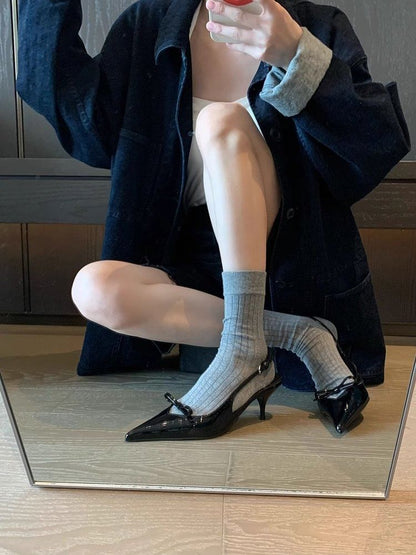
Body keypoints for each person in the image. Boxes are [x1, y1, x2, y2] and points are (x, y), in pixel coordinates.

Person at [16, 0, 410, 441]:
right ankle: (297, 335)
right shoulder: (150, 26)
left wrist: (295, 54)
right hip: (188, 269)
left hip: (288, 263)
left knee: (220, 121)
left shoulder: (316, 25)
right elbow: (77, 119)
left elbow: (373, 151)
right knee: (93, 289)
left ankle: (243, 347)